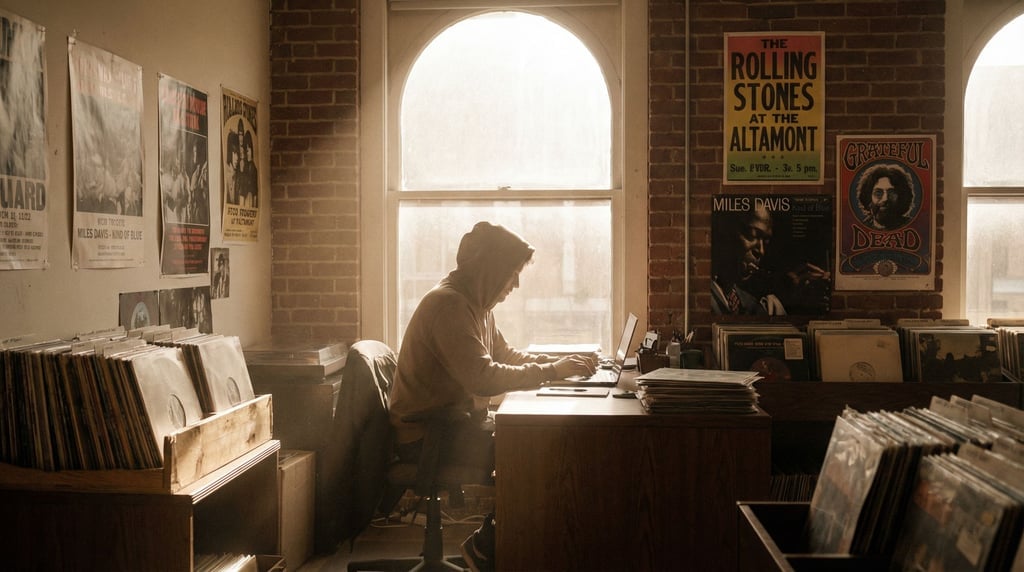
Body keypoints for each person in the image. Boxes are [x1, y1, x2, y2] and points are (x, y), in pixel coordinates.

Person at [388, 221, 596, 572]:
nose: (515, 285)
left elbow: (506, 356)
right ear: (491, 270)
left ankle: (501, 545)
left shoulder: (476, 305)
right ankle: (488, 548)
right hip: (427, 437)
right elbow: (483, 378)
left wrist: (560, 363)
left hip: (451, 427)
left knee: (540, 446)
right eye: (512, 274)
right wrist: (552, 372)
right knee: (533, 450)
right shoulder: (449, 306)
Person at [711, 203, 830, 316]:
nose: (761, 251)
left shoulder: (746, 300)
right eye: (752, 235)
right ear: (725, 231)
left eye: (766, 242)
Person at [855, 163, 915, 230]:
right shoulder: (861, 228)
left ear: (902, 197)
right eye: (878, 193)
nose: (885, 198)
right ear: (868, 198)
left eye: (891, 193)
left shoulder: (913, 226)